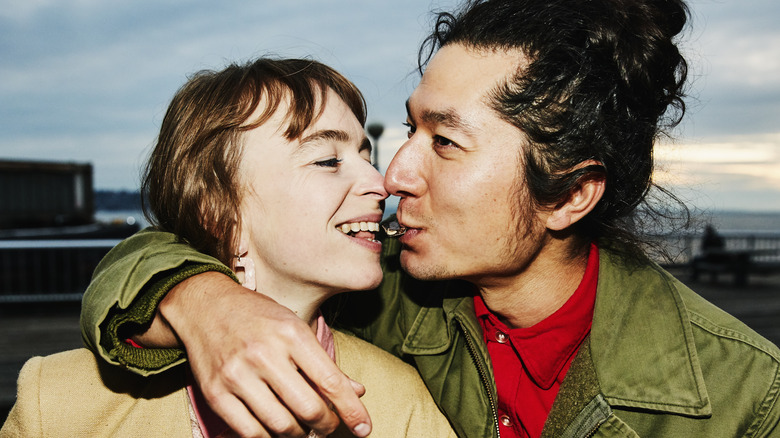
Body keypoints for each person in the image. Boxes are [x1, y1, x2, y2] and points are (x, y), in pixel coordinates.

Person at [74, 0, 780, 437]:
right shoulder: (370, 294)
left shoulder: (746, 399)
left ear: (569, 195)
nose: (393, 175)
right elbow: (148, 255)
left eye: (445, 142)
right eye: (409, 131)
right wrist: (207, 303)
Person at [1, 58, 456, 438]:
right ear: (220, 214)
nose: (381, 183)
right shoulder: (58, 403)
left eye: (366, 155)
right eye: (328, 160)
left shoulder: (403, 405)